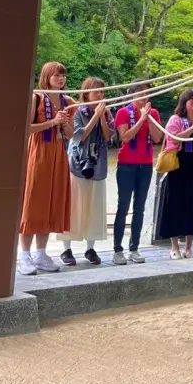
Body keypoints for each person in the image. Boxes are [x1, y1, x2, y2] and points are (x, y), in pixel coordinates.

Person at [18, 62, 75, 276]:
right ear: (47, 76)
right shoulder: (37, 97)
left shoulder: (67, 101)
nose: (61, 79)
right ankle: (25, 255)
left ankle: (41, 254)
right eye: (56, 75)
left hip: (58, 154)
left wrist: (63, 123)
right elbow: (26, 128)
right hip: (39, 152)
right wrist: (52, 122)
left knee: (52, 201)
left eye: (63, 75)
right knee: (33, 202)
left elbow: (71, 134)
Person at [155, 88, 193, 259]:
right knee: (175, 204)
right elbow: (172, 138)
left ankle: (189, 247)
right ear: (185, 102)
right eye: (192, 99)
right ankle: (174, 247)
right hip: (177, 166)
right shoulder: (176, 119)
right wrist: (192, 128)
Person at [59, 77, 113, 267]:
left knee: (95, 206)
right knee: (74, 205)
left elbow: (108, 138)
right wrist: (95, 117)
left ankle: (90, 247)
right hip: (78, 164)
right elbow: (79, 136)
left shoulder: (106, 112)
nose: (99, 95)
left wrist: (102, 117)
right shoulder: (77, 111)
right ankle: (66, 249)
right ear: (86, 93)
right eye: (95, 91)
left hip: (98, 165)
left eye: (101, 91)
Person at [112, 83, 163, 265]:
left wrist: (148, 119)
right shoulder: (123, 113)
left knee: (139, 208)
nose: (144, 97)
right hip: (126, 164)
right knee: (123, 206)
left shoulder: (154, 113)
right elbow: (125, 137)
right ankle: (118, 249)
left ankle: (134, 248)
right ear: (132, 95)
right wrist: (141, 119)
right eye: (140, 94)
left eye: (147, 94)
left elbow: (157, 138)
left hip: (146, 164)